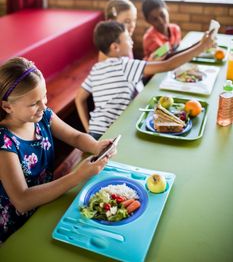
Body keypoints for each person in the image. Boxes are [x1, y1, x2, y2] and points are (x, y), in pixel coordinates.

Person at [0, 57, 115, 243]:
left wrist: (95, 146)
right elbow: (22, 200)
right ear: (7, 106)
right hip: (19, 225)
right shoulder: (4, 142)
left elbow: (75, 137)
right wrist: (77, 176)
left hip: (48, 201)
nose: (44, 106)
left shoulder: (43, 116)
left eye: (44, 96)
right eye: (33, 103)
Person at [75, 20, 214, 140]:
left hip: (95, 132)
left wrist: (89, 130)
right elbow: (168, 65)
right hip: (113, 133)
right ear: (115, 47)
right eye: (128, 38)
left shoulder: (96, 68)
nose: (132, 41)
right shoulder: (124, 65)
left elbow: (79, 99)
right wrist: (201, 48)